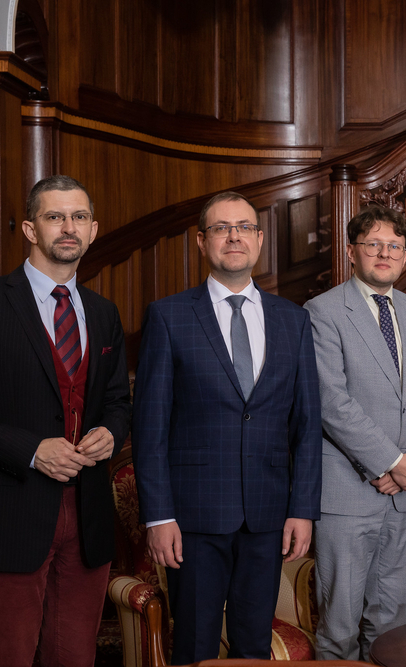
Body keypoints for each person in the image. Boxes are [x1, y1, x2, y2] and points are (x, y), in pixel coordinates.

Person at [0, 175, 132, 667]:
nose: (68, 227)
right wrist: (32, 449)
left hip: (89, 515)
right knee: (6, 656)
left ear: (94, 229)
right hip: (9, 513)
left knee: (74, 656)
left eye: (79, 217)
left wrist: (112, 432)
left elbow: (119, 402)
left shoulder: (103, 313)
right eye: (54, 216)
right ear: (29, 229)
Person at [132, 191, 322, 663]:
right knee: (194, 644)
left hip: (268, 514)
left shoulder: (293, 320)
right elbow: (150, 425)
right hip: (192, 518)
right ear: (202, 242)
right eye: (221, 228)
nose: (233, 236)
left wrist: (303, 509)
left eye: (243, 227)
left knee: (253, 645)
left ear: (259, 241)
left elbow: (308, 424)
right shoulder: (169, 316)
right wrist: (159, 515)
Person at [304, 204, 406, 660]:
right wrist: (391, 462)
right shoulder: (322, 311)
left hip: (405, 495)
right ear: (352, 252)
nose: (384, 253)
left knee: (394, 625)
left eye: (394, 246)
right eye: (373, 244)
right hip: (347, 494)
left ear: (405, 256)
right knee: (340, 626)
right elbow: (331, 402)